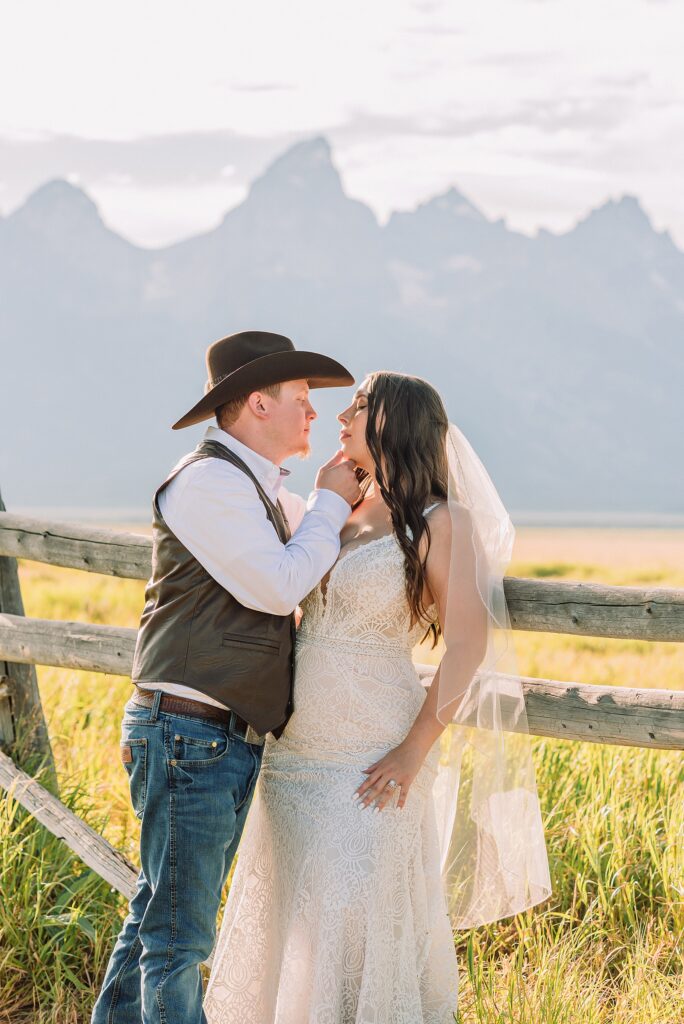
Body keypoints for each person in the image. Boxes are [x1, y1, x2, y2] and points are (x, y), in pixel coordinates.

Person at [204, 371, 552, 1023]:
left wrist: (413, 750)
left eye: (360, 406)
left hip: (373, 755)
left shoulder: (442, 521)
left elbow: (469, 645)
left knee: (357, 911)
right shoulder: (339, 509)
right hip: (293, 757)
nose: (341, 416)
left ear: (395, 422)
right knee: (293, 919)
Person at [91, 330, 361, 1024]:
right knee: (179, 937)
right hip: (189, 733)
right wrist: (329, 501)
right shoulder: (208, 482)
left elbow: (324, 542)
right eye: (300, 399)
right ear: (254, 404)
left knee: (161, 911)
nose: (312, 414)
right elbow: (279, 586)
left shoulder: (259, 490)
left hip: (214, 737)